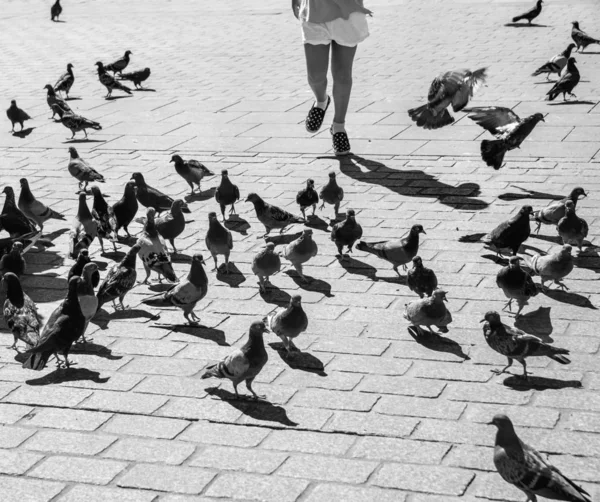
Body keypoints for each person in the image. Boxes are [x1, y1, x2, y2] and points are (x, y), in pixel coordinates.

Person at [292, 0, 372, 156]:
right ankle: (321, 101)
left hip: (347, 13)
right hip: (314, 11)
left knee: (342, 75)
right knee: (315, 76)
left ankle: (338, 126)